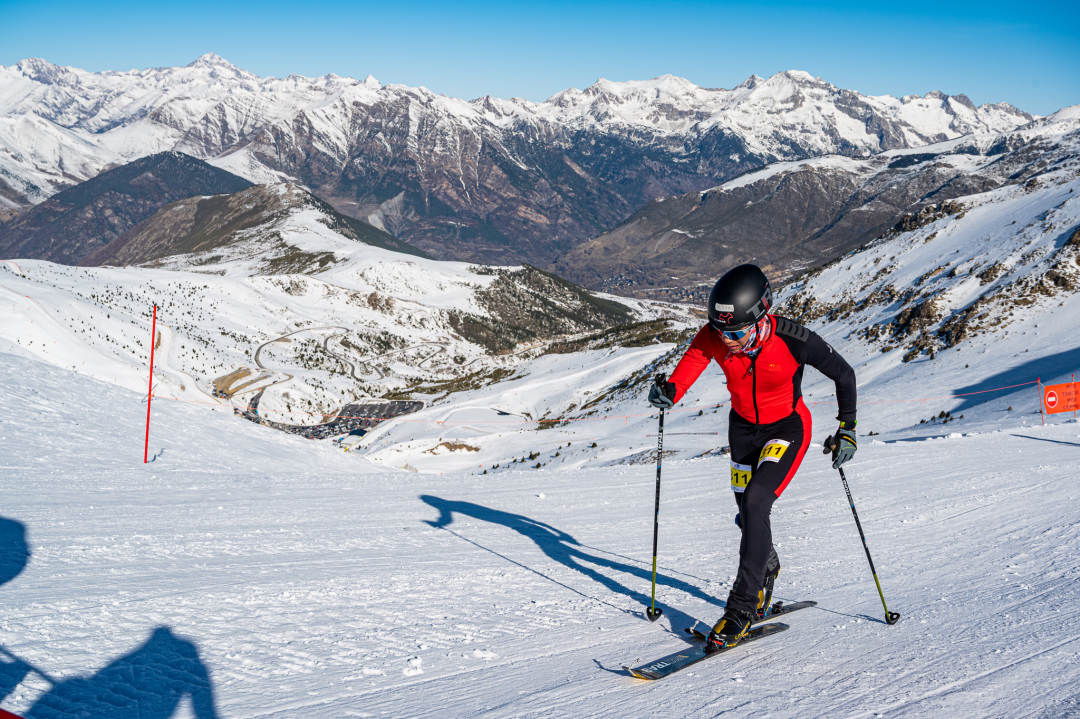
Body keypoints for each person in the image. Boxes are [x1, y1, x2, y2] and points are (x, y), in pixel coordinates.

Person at [648, 263, 857, 654]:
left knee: (759, 501)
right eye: (722, 331)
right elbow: (694, 359)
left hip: (787, 429)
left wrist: (848, 429)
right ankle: (767, 565)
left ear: (761, 315)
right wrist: (671, 392)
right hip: (742, 430)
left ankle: (742, 607)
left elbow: (844, 374)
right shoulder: (715, 336)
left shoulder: (796, 340)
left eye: (737, 333)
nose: (727, 340)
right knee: (747, 512)